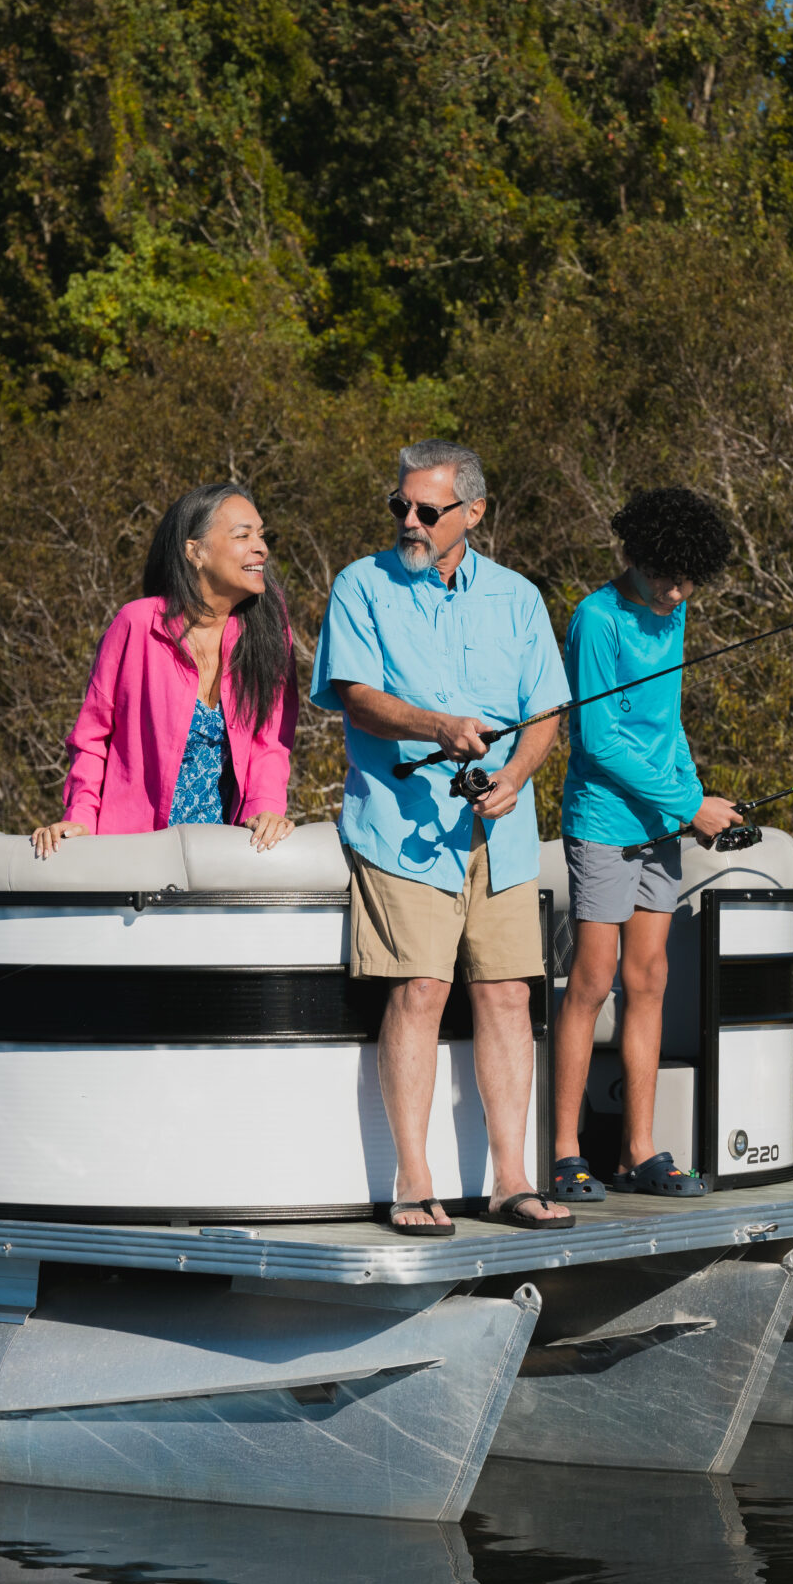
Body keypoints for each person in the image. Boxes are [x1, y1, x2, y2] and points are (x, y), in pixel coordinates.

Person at [311, 439, 573, 1235]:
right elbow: (355, 698)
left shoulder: (519, 597)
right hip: (398, 825)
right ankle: (413, 1182)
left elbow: (547, 713)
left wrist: (517, 776)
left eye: (428, 510)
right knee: (419, 991)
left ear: (474, 513)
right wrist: (438, 726)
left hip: (502, 830)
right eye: (401, 506)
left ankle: (512, 1181)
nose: (410, 522)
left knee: (508, 995)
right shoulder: (361, 584)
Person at [548, 489, 744, 1202]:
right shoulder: (596, 620)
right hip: (603, 821)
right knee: (593, 979)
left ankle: (640, 1152)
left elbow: (669, 723)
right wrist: (690, 804)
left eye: (689, 580)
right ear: (635, 557)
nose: (677, 592)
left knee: (650, 979)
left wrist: (693, 796)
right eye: (666, 576)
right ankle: (565, 1152)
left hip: (661, 824)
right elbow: (596, 742)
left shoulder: (677, 610)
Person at [33, 482, 298, 858]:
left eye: (261, 535)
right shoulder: (137, 624)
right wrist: (80, 817)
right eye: (243, 535)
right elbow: (92, 738)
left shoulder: (270, 629)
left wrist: (265, 808)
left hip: (223, 857)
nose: (262, 547)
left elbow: (271, 740)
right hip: (131, 855)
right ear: (195, 551)